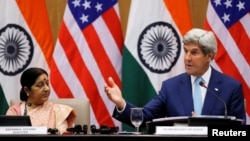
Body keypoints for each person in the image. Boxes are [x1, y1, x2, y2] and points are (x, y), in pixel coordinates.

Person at [104, 28, 246, 127]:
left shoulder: (231, 88)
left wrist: (207, 128)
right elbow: (144, 116)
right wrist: (121, 104)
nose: (187, 58)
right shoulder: (171, 87)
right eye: (185, 52)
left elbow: (238, 132)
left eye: (194, 53)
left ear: (209, 56)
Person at [6, 67, 77, 134]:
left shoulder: (58, 111)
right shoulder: (15, 112)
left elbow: (62, 136)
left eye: (47, 84)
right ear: (27, 90)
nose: (47, 89)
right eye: (40, 85)